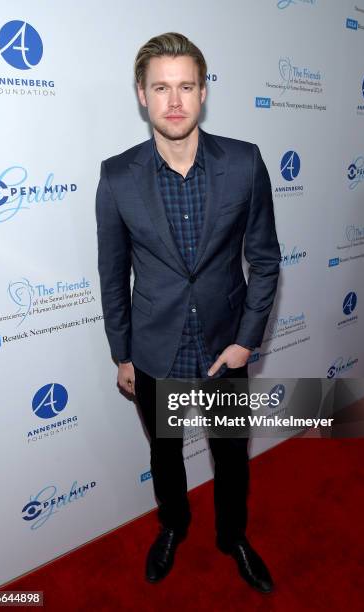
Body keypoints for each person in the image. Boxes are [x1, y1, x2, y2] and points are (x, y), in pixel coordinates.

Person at [95, 32, 281, 594]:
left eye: (185, 86)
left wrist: (247, 341)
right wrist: (123, 354)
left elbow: (265, 261)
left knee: (231, 458)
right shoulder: (118, 176)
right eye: (161, 88)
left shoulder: (245, 163)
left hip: (226, 348)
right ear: (141, 95)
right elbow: (112, 275)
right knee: (166, 454)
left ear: (202, 92)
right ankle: (173, 526)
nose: (173, 101)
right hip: (155, 350)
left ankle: (233, 538)